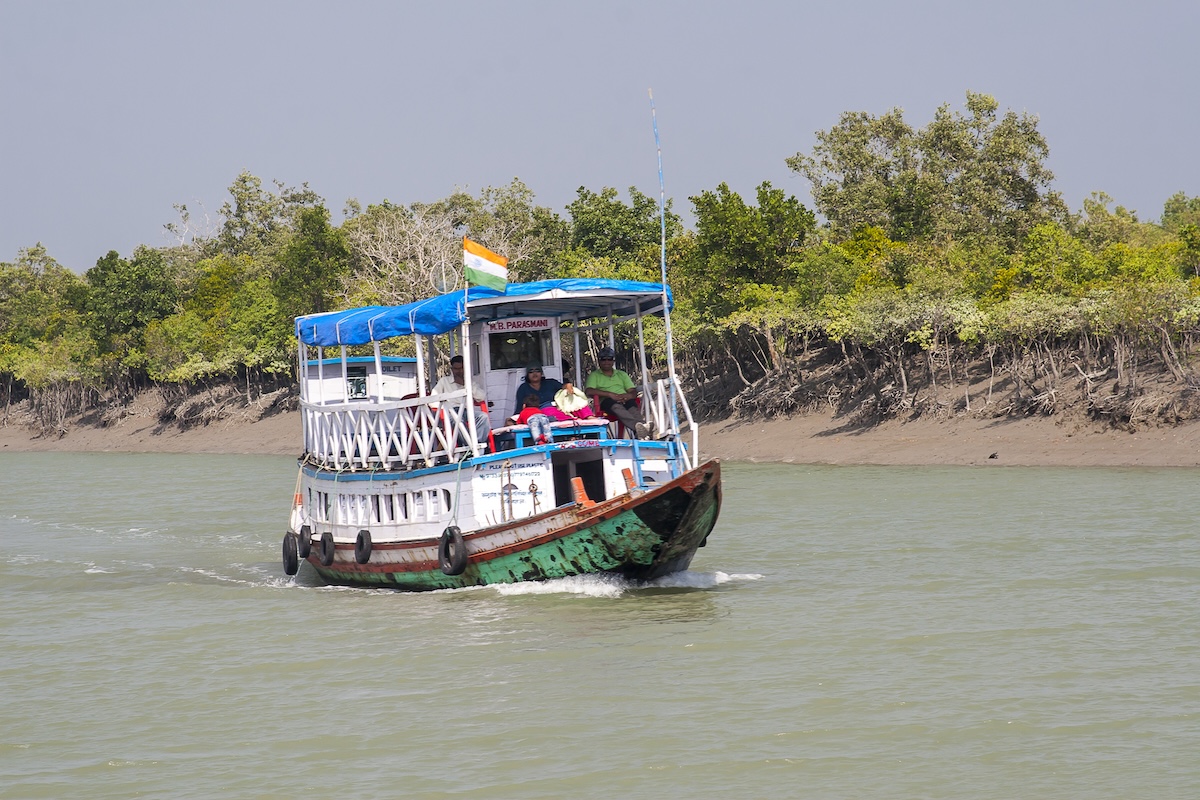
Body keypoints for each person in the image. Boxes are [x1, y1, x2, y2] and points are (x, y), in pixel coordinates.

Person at [584, 346, 646, 436]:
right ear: (599, 361)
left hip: (624, 399)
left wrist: (628, 396)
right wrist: (609, 394)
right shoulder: (594, 375)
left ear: (613, 361)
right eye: (603, 359)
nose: (606, 362)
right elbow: (588, 391)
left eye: (609, 359)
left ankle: (642, 428)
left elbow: (633, 391)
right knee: (615, 405)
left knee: (632, 405)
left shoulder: (622, 374)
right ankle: (637, 428)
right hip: (606, 402)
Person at [431, 355, 491, 443]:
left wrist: (466, 385)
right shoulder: (444, 381)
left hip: (466, 411)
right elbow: (433, 399)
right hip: (450, 412)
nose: (459, 371)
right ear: (452, 369)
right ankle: (470, 446)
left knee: (483, 417)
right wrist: (444, 410)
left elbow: (481, 397)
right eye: (456, 369)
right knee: (458, 421)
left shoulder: (470, 382)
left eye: (461, 368)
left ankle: (476, 444)